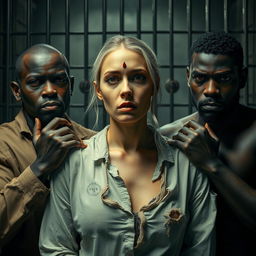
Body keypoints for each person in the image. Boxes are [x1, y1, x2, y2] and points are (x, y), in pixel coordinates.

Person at [39, 35, 216, 256]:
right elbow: (55, 248)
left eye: (138, 77)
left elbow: (201, 249)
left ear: (154, 85)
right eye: (113, 79)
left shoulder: (186, 165)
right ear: (98, 90)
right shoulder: (74, 162)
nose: (126, 90)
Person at [160, 32, 256, 256]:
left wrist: (212, 164)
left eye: (223, 78)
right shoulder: (169, 136)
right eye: (200, 78)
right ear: (187, 76)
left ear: (242, 78)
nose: (211, 90)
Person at [0, 44, 95, 256]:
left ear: (70, 85)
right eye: (35, 82)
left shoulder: (94, 142)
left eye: (59, 80)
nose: (50, 90)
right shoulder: (2, 144)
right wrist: (40, 166)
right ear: (17, 91)